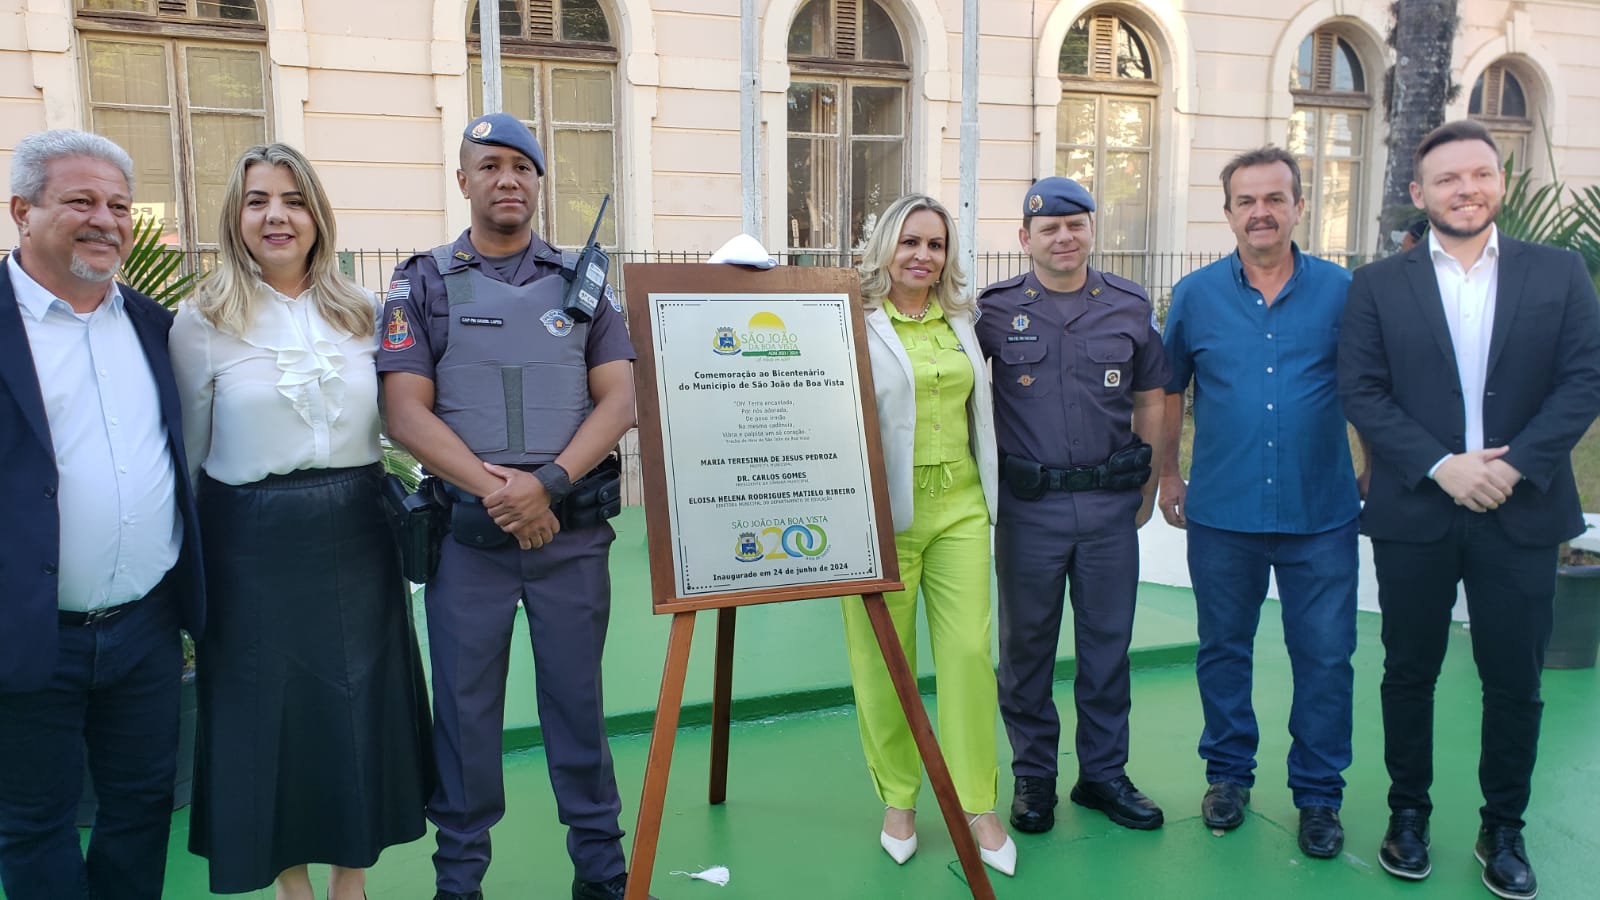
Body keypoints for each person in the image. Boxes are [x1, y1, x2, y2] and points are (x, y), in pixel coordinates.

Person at [378, 113, 645, 900]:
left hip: (570, 535)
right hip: (470, 542)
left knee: (578, 709)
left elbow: (621, 397)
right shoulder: (422, 282)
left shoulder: (582, 282)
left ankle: (602, 876)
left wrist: (548, 483)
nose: (507, 180)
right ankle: (459, 883)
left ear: (537, 183)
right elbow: (404, 411)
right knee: (464, 720)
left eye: (522, 167)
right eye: (490, 165)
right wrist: (505, 493)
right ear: (463, 179)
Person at [1339, 119, 1600, 900]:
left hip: (1522, 510)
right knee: (1408, 672)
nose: (1467, 189)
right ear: (1419, 193)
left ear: (1500, 183)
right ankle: (1408, 815)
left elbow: (1584, 381)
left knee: (1514, 679)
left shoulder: (1558, 273)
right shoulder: (1376, 285)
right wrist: (1440, 466)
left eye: (1481, 174)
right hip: (1417, 511)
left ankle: (1504, 828)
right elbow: (1362, 390)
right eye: (1448, 179)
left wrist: (1514, 466)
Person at [169, 143, 432, 899]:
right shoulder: (201, 321)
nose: (276, 216)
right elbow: (189, 454)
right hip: (249, 541)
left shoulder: (365, 313)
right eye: (258, 201)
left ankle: (351, 879)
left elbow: (405, 418)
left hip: (357, 532)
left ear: (318, 215)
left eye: (293, 200)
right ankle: (293, 886)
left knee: (359, 703)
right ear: (236, 216)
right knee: (265, 712)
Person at [0, 129, 205, 899]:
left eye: (119, 206)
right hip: (25, 634)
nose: (106, 220)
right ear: (22, 210)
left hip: (145, 632)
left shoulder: (156, 327)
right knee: (34, 824)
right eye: (81, 201)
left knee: (142, 810)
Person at [1156, 147, 1362, 859]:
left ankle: (1319, 795)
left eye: (1275, 198)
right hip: (1223, 512)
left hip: (1321, 511)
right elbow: (1170, 389)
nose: (1261, 212)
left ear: (1299, 206)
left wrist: (1370, 466)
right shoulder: (1194, 295)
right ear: (1228, 213)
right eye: (1246, 201)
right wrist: (1168, 474)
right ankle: (1228, 776)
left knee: (1327, 657)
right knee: (1222, 650)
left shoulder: (1341, 291)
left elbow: (1366, 385)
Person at [975, 176, 1169, 837]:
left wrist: (1146, 487)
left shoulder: (1128, 305)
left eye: (1075, 224)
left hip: (1109, 506)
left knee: (1107, 647)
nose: (1064, 237)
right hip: (1030, 509)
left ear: (1091, 230)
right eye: (1049, 228)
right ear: (1024, 238)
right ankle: (1034, 776)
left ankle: (1103, 775)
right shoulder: (993, 311)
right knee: (1026, 647)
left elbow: (1151, 398)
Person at [844, 194, 1014, 875]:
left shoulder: (964, 322)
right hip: (880, 520)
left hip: (962, 509)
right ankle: (899, 798)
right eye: (910, 241)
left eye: (935, 244)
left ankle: (977, 803)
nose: (922, 255)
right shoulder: (852, 321)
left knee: (970, 653)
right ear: (886, 246)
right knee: (883, 660)